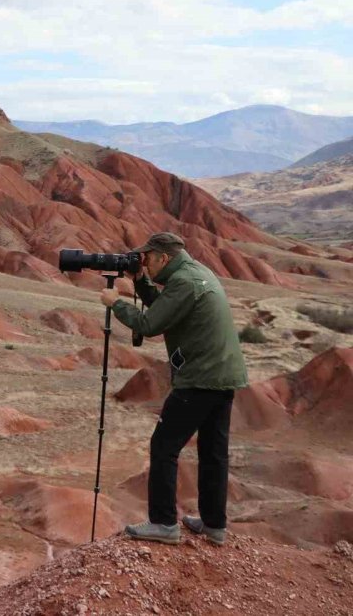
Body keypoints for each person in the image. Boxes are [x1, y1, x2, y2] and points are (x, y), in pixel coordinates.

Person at [99, 232, 247, 545]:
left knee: (164, 446)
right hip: (225, 375)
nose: (146, 264)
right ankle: (214, 524)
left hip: (200, 378)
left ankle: (164, 524)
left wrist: (116, 304)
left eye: (148, 259)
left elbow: (150, 325)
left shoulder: (183, 281)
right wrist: (139, 281)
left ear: (163, 257)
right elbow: (166, 309)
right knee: (213, 452)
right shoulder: (197, 273)